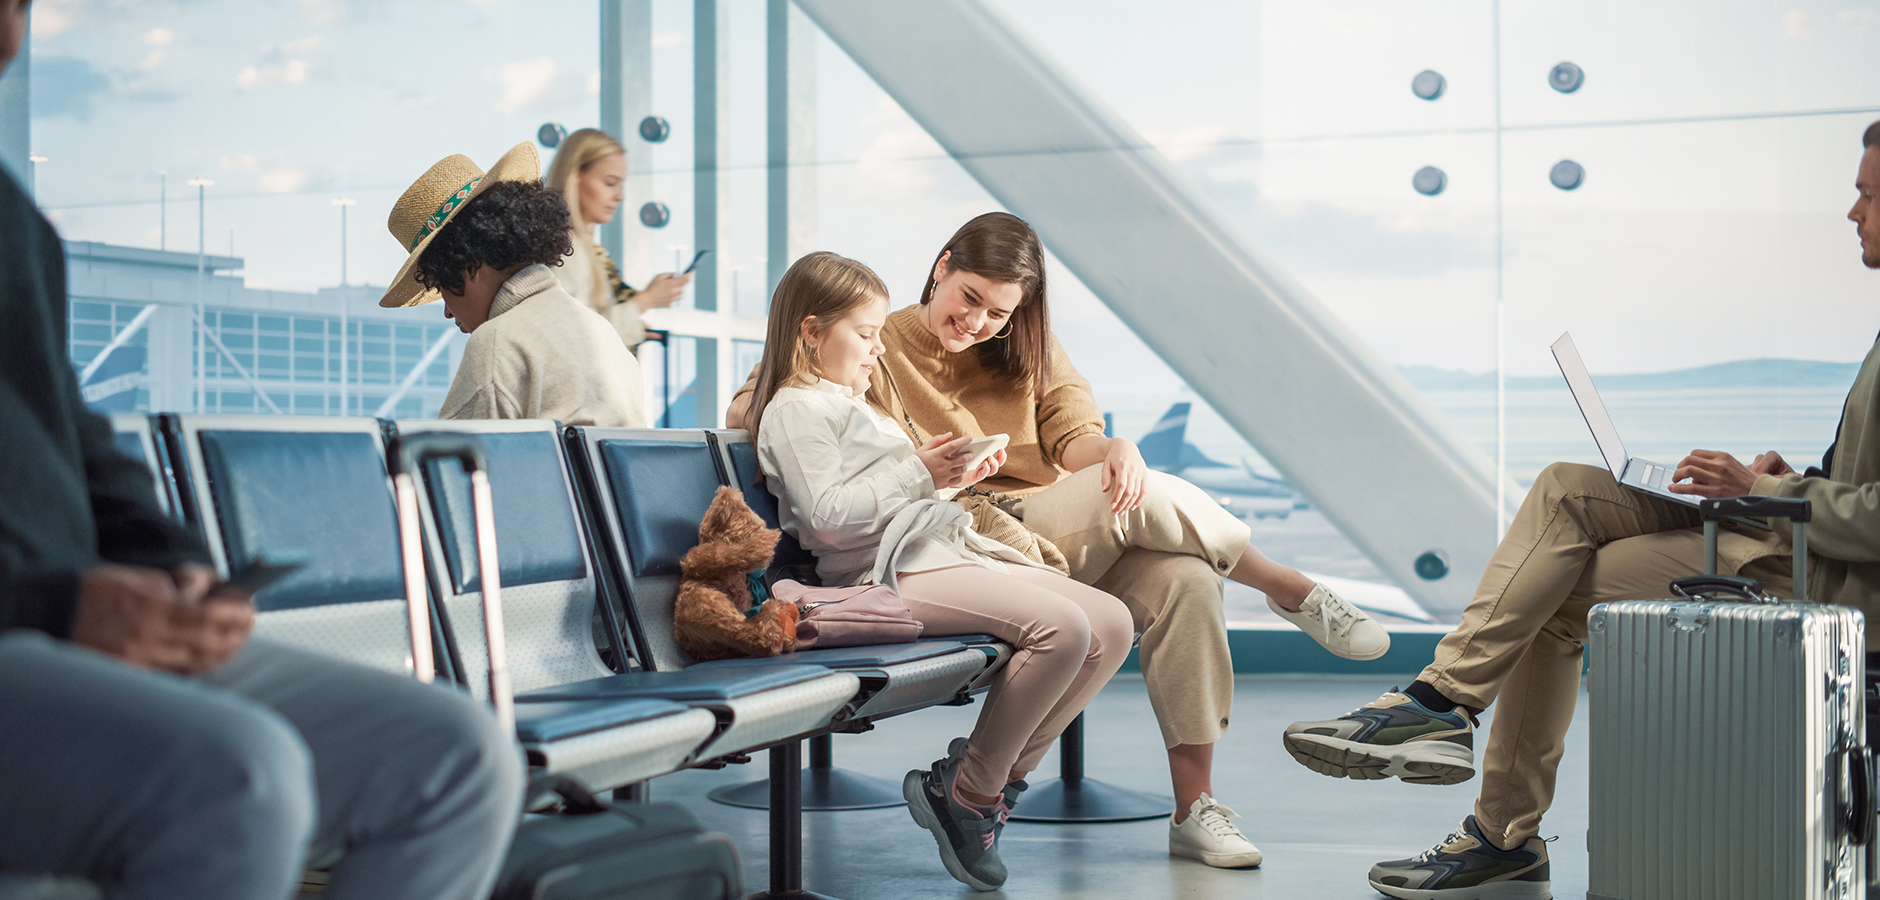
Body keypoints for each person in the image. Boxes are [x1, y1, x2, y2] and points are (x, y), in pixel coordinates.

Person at [0, 2, 525, 897]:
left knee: (460, 759)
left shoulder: (2, 216)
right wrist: (52, 600)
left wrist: (175, 565)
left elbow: (71, 438)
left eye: (20, 6)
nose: (5, 40)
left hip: (59, 619)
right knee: (235, 780)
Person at [1281, 120, 1880, 900]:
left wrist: (1764, 493)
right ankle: (1445, 716)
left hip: (1835, 588)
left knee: (1556, 588)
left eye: (1867, 194)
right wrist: (1780, 477)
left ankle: (1475, 784)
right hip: (1798, 540)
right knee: (1568, 488)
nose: (1851, 212)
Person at [730, 212, 1391, 866]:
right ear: (942, 267)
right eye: (969, 299)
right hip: (978, 527)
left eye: (998, 313)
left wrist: (1116, 447)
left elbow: (1075, 438)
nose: (978, 322)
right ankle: (1287, 587)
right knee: (1124, 505)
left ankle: (1192, 809)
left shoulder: (1028, 345)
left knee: (1185, 577)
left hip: (1008, 532)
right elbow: (783, 394)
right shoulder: (877, 341)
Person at [751, 251, 1135, 892]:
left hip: (937, 551)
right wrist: (920, 472)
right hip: (888, 569)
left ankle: (986, 783)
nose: (878, 351)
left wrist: (949, 475)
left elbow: (889, 491)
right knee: (1064, 630)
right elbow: (826, 521)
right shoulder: (797, 410)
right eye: (866, 335)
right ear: (811, 331)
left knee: (1111, 624)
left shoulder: (856, 407)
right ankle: (972, 794)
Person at [381, 142, 648, 427]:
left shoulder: (498, 341)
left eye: (440, 285)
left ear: (467, 263)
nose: (447, 311)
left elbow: (452, 465)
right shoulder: (603, 333)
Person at [542, 127, 691, 349]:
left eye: (621, 184)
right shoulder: (563, 251)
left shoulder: (582, 247)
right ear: (574, 178)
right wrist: (645, 301)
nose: (619, 196)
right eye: (610, 183)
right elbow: (577, 337)